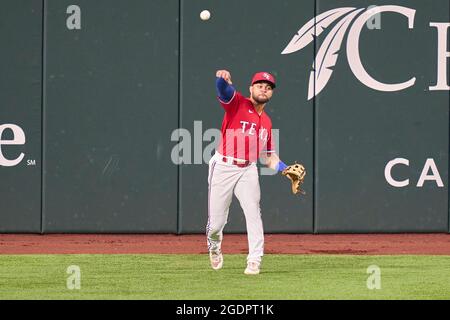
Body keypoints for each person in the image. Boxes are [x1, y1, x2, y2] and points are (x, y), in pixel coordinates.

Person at [206, 69, 289, 275]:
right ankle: (214, 245)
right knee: (216, 223)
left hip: (248, 170)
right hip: (224, 166)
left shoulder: (267, 122)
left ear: (272, 94)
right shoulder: (238, 104)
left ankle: (254, 260)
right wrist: (221, 79)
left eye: (268, 87)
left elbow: (268, 157)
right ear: (251, 88)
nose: (264, 89)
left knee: (254, 214)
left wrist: (284, 168)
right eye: (260, 85)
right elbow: (224, 91)